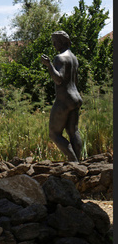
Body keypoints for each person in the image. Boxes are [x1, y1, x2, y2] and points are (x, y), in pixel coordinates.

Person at [45, 31, 84, 161]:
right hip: (76, 97)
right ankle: (79, 163)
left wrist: (49, 65)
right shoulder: (74, 58)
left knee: (54, 134)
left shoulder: (59, 58)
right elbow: (76, 81)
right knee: (74, 132)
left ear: (60, 42)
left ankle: (73, 162)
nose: (53, 44)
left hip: (64, 100)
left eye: (54, 42)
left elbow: (59, 79)